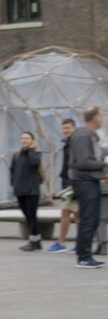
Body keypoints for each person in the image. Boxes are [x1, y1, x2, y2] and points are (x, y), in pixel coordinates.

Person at [68, 105, 107, 268]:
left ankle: (86, 254)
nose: (103, 119)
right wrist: (103, 163)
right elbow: (83, 162)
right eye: (102, 116)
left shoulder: (89, 136)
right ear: (95, 118)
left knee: (93, 218)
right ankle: (83, 257)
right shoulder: (83, 135)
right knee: (89, 218)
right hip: (84, 181)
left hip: (90, 181)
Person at [47, 118, 79, 252]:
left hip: (72, 184)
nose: (65, 131)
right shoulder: (67, 144)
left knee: (72, 213)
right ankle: (74, 242)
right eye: (64, 128)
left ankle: (64, 242)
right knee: (71, 213)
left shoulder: (75, 143)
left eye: (68, 128)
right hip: (68, 183)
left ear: (74, 128)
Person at [10, 131, 44, 251]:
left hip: (32, 190)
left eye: (27, 138)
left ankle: (33, 240)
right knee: (27, 216)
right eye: (22, 138)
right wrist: (13, 185)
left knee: (32, 215)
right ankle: (37, 240)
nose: (24, 140)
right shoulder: (16, 155)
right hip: (20, 190)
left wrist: (31, 150)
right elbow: (13, 171)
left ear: (32, 141)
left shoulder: (36, 154)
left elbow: (34, 163)